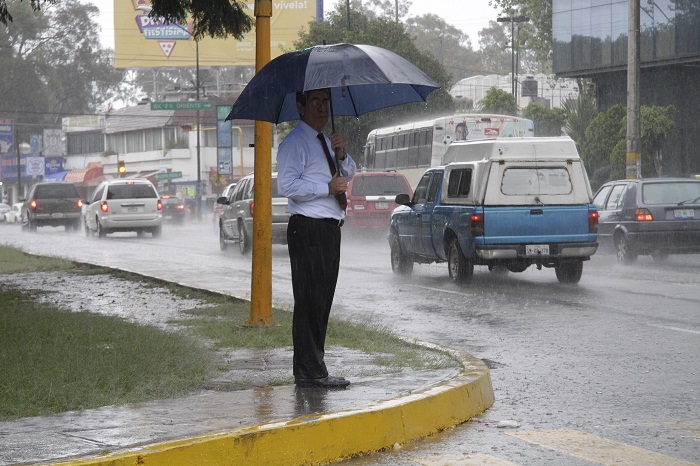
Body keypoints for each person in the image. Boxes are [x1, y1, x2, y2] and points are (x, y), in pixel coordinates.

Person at [276, 88, 357, 389]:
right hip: (308, 228)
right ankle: (309, 371)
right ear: (300, 106)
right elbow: (287, 185)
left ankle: (314, 366)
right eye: (315, 102)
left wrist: (342, 155)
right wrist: (327, 188)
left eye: (326, 102)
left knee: (322, 300)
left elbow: (346, 173)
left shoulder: (326, 141)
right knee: (309, 300)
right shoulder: (294, 143)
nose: (323, 108)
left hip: (328, 229)